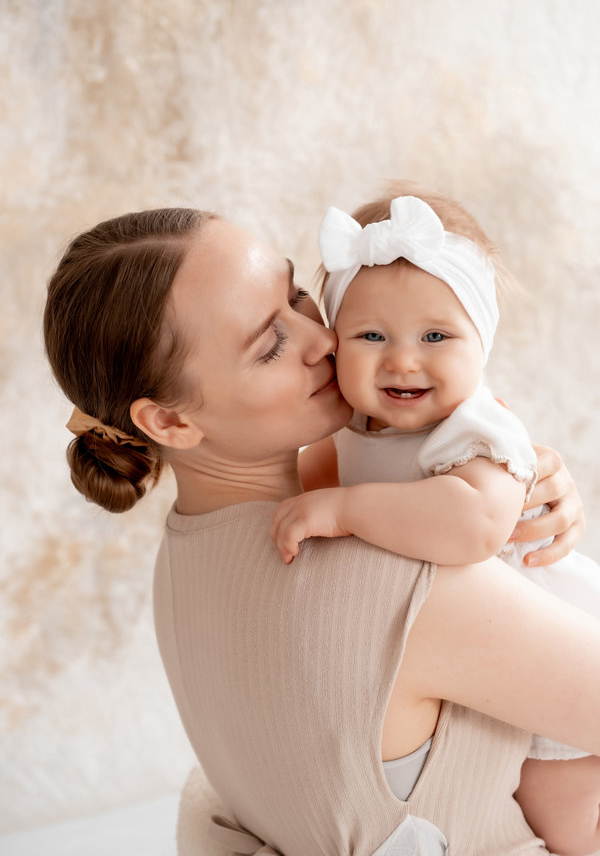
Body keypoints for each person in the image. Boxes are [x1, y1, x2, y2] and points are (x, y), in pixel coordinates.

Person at [43, 206, 600, 855]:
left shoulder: (186, 553)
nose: (324, 339)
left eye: (296, 295)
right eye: (271, 344)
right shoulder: (404, 582)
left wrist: (503, 473)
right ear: (168, 423)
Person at [270, 184, 600, 853]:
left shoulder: (479, 427)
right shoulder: (352, 436)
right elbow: (293, 505)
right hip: (465, 665)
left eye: (436, 335)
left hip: (549, 642)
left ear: (482, 343)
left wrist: (345, 509)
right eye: (370, 335)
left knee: (564, 815)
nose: (403, 359)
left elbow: (472, 525)